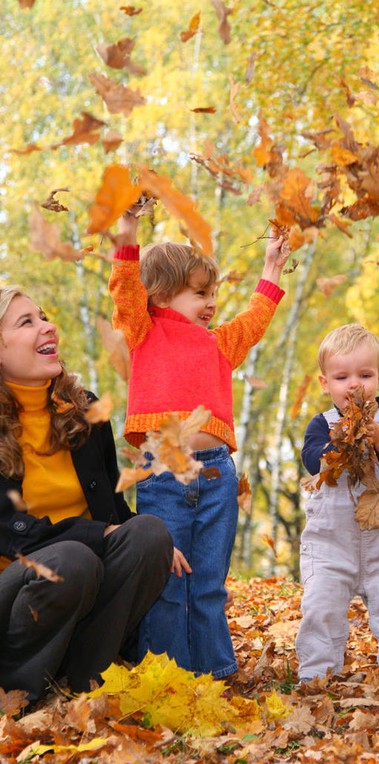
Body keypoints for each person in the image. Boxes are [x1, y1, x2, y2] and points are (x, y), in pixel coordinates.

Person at [109, 210, 287, 680]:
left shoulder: (218, 343)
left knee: (208, 581)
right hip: (164, 474)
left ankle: (215, 672)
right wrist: (127, 231)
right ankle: (169, 675)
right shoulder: (143, 331)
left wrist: (271, 267)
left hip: (215, 475)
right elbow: (125, 286)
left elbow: (255, 319)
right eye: (200, 292)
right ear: (162, 293)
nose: (211, 303)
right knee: (169, 579)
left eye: (213, 293)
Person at [0, 287, 173, 706]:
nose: (48, 326)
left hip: (81, 572)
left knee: (148, 533)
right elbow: (11, 531)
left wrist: (146, 541)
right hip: (14, 592)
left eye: (43, 316)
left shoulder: (85, 411)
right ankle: (17, 695)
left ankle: (84, 686)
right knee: (70, 558)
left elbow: (111, 508)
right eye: (27, 322)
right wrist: (100, 534)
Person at [296, 324, 379, 684]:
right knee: (320, 610)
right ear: (326, 384)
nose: (354, 385)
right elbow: (312, 459)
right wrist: (336, 446)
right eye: (342, 377)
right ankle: (316, 678)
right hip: (330, 546)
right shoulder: (321, 425)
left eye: (365, 375)